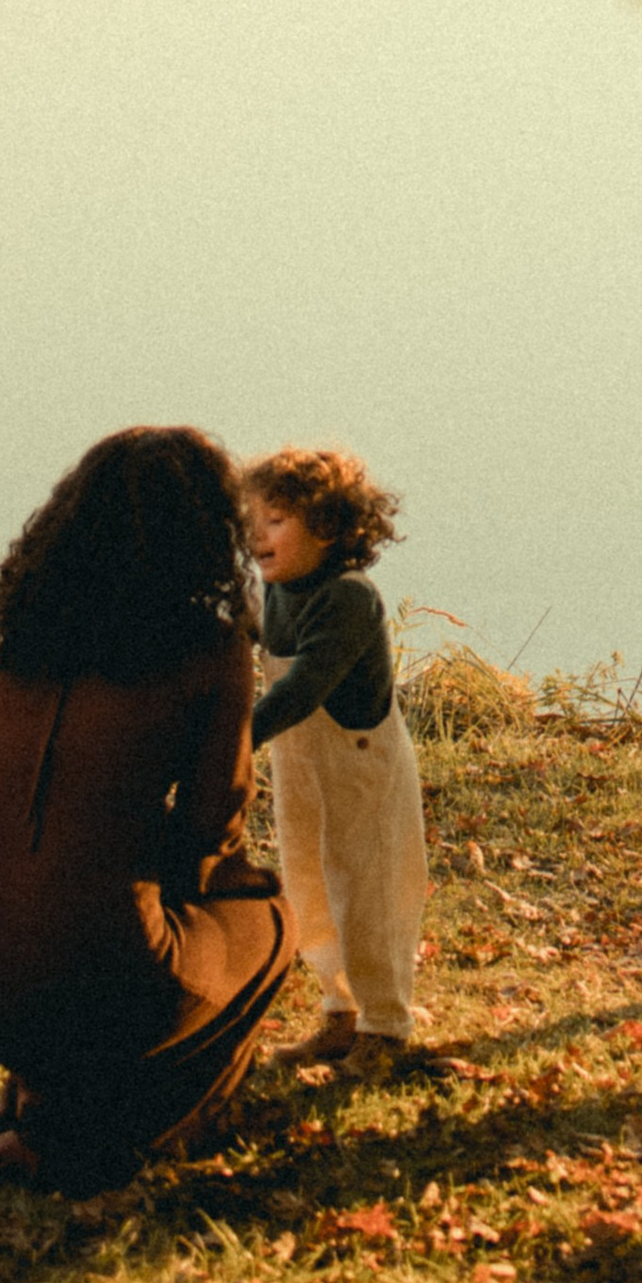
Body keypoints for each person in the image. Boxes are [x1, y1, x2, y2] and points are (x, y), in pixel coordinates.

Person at [0, 426, 293, 1191]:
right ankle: (142, 1130)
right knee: (272, 924)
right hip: (88, 976)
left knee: (83, 923)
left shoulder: (26, 636)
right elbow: (209, 834)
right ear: (204, 534)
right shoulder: (209, 649)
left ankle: (34, 1101)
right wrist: (221, 876)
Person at [244, 444, 429, 1068]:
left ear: (327, 528)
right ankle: (339, 1012)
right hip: (301, 769)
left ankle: (384, 1025)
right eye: (252, 519)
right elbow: (250, 630)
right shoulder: (276, 590)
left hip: (360, 765)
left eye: (275, 520)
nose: (256, 535)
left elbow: (301, 688)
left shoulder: (348, 597)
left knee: (368, 892)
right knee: (311, 885)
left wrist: (231, 741)